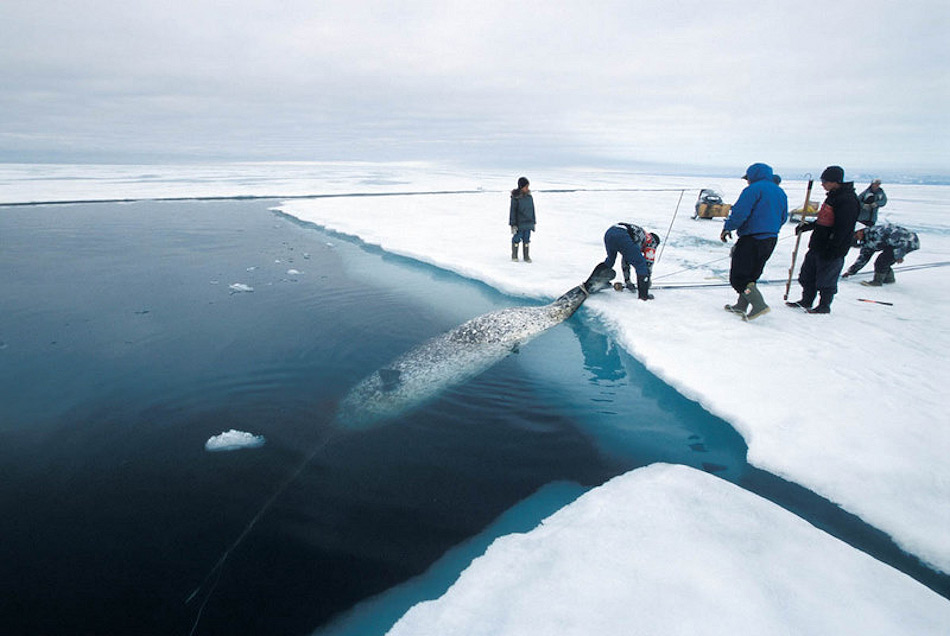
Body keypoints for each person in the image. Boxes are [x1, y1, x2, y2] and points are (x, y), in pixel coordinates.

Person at [719, 163, 788, 320]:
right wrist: (770, 228)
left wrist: (728, 227)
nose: (747, 181)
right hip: (770, 239)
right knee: (751, 275)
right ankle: (741, 306)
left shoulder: (753, 190)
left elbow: (740, 212)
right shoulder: (779, 191)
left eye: (748, 178)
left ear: (753, 176)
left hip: (752, 239)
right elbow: (783, 217)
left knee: (739, 277)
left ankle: (759, 305)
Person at [787, 165, 860, 314]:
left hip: (832, 248)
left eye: (825, 181)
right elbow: (825, 220)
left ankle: (824, 305)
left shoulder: (848, 200)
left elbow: (843, 228)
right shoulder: (833, 196)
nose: (822, 184)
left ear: (835, 181)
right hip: (818, 244)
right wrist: (808, 226)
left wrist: (833, 247)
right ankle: (807, 300)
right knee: (807, 275)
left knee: (826, 279)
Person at [842, 223, 920, 286]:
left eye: (855, 235)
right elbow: (864, 257)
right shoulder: (867, 241)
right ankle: (889, 280)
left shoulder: (877, 232)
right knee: (885, 259)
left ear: (860, 231)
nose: (855, 237)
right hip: (894, 244)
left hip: (908, 241)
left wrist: (899, 255)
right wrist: (851, 271)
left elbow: (896, 239)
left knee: (882, 260)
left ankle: (877, 282)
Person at [602, 223, 659, 301]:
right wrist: (646, 281)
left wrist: (627, 281)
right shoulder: (652, 242)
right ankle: (643, 296)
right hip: (622, 235)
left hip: (610, 232)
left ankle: (598, 280)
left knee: (610, 260)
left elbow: (626, 259)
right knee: (641, 264)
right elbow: (648, 263)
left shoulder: (642, 235)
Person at [509, 176, 536, 262]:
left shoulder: (529, 197)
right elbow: (513, 211)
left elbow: (532, 210)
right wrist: (513, 224)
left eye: (528, 186)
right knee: (517, 238)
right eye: (526, 186)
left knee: (526, 239)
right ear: (521, 187)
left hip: (528, 223)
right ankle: (514, 255)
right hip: (519, 223)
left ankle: (526, 256)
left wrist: (533, 221)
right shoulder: (516, 198)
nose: (527, 188)